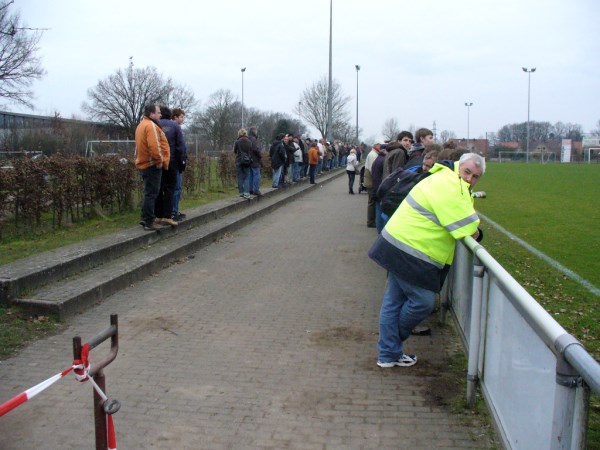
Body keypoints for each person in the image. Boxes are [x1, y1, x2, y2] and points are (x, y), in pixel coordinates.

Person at [368, 153, 486, 368]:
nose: (470, 179)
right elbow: (466, 226)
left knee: (393, 302)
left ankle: (387, 355)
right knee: (423, 302)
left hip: (398, 244)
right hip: (410, 251)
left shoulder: (446, 178)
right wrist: (477, 232)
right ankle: (391, 346)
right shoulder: (450, 184)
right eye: (467, 172)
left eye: (475, 176)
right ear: (459, 166)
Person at [135, 104, 170, 231]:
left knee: (148, 192)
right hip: (151, 165)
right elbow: (154, 146)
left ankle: (145, 217)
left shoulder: (141, 125)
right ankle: (149, 220)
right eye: (158, 113)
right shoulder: (151, 126)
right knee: (152, 193)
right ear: (151, 114)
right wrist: (159, 160)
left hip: (143, 164)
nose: (160, 115)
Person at [156, 106, 182, 227]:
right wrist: (181, 161)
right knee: (170, 189)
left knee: (159, 188)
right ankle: (167, 215)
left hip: (157, 161)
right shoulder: (175, 126)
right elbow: (180, 146)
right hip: (171, 161)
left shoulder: (154, 125)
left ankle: (158, 215)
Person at [171, 108, 187, 221]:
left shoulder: (178, 129)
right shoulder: (174, 129)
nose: (183, 119)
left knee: (178, 188)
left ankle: (175, 209)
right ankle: (173, 211)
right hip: (175, 163)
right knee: (175, 188)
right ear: (175, 117)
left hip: (178, 162)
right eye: (181, 117)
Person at [364, 143, 381, 228]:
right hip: (371, 181)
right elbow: (372, 169)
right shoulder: (373, 155)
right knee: (372, 202)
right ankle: (370, 221)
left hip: (369, 180)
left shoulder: (372, 154)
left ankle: (371, 220)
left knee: (371, 201)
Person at [234, 128, 252, 198]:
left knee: (240, 177)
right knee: (247, 177)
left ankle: (241, 192)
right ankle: (246, 192)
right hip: (247, 161)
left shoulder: (237, 141)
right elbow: (250, 151)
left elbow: (235, 151)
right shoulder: (249, 142)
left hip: (239, 160)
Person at [248, 127, 262, 196]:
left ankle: (250, 189)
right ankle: (256, 190)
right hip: (255, 160)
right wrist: (259, 155)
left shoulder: (248, 138)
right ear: (254, 131)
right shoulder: (253, 139)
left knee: (250, 175)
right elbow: (255, 149)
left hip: (249, 159)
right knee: (256, 175)